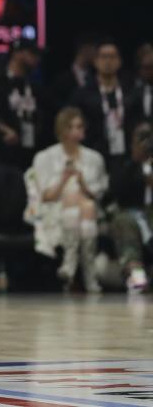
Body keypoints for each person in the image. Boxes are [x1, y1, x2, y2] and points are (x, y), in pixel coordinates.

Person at [27, 107, 107, 292]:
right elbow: (44, 196)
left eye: (79, 127)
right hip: (55, 210)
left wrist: (83, 183)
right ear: (61, 130)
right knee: (73, 197)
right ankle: (83, 271)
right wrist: (64, 179)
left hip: (88, 213)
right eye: (71, 127)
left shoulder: (94, 158)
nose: (76, 132)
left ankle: (74, 266)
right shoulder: (45, 157)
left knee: (86, 205)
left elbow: (99, 193)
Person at [0, 38, 47, 169]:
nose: (37, 59)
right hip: (0, 156)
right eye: (32, 53)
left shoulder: (34, 87)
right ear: (17, 54)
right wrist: (2, 129)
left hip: (28, 154)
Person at [71, 38, 132, 170]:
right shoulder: (83, 94)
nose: (108, 61)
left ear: (119, 61)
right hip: (92, 156)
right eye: (104, 57)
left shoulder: (131, 91)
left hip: (127, 157)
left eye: (112, 56)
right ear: (95, 61)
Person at [108, 122, 153, 293]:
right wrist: (136, 160)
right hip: (132, 213)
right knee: (124, 221)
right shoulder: (123, 163)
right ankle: (136, 274)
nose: (145, 142)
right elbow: (117, 191)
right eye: (140, 138)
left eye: (149, 136)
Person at [50, 33, 97, 107]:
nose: (97, 54)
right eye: (95, 49)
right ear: (85, 49)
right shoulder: (61, 80)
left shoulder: (96, 77)